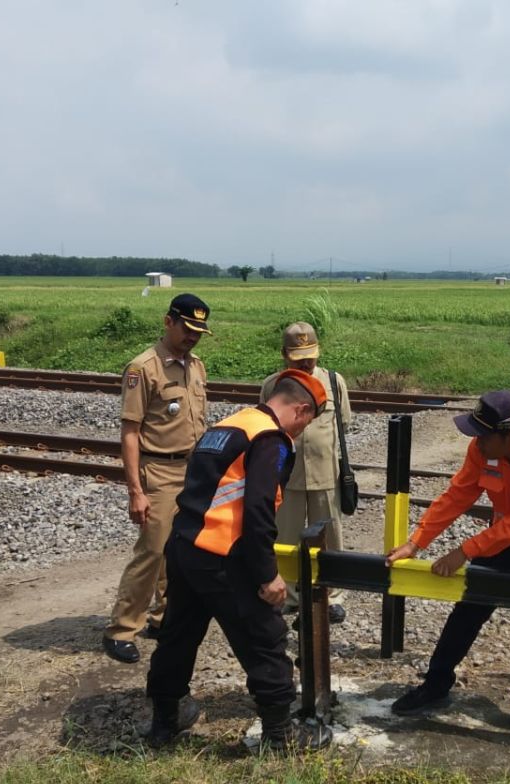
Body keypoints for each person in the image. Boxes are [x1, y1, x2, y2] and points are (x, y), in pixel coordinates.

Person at [384, 391, 510, 749]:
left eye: (483, 435)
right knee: (470, 603)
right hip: (507, 538)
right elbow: (457, 495)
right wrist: (416, 543)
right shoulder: (483, 450)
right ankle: (435, 684)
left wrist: (463, 551)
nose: (475, 443)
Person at [144, 369, 334, 751]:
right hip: (223, 557)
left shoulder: (228, 425)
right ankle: (279, 736)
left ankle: (166, 721)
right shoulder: (270, 438)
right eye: (306, 422)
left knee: (177, 637)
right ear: (300, 409)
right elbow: (259, 509)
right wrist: (267, 575)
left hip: (184, 549)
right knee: (265, 638)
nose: (300, 430)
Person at [102, 294, 211, 665]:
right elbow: (130, 432)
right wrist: (136, 490)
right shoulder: (143, 368)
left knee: (179, 551)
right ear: (168, 322)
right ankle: (121, 629)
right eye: (187, 328)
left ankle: (164, 618)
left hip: (191, 470)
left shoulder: (197, 366)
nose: (192, 337)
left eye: (199, 331)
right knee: (151, 551)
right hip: (158, 471)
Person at [259, 322, 353, 622]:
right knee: (285, 536)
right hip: (287, 476)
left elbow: (344, 422)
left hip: (326, 471)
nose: (306, 362)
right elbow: (265, 428)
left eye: (310, 355)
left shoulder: (334, 381)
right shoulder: (272, 385)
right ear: (285, 354)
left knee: (331, 535)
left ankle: (334, 595)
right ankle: (289, 594)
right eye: (299, 356)